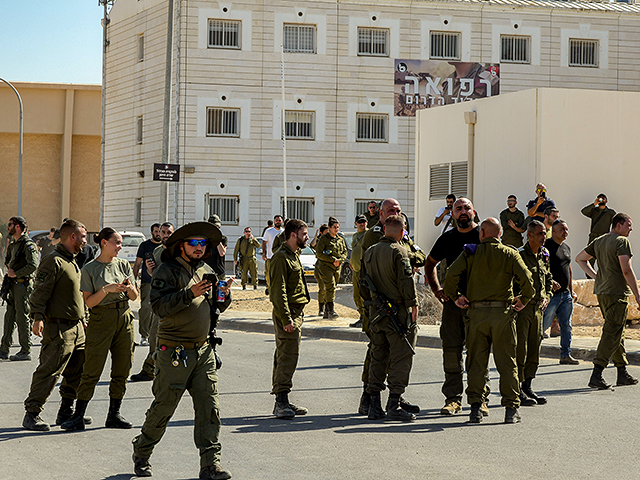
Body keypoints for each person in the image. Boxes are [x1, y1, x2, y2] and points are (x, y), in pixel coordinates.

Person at [132, 221, 232, 480]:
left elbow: (215, 307)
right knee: (164, 406)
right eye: (194, 243)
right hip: (174, 352)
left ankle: (210, 465)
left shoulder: (207, 269)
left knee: (210, 408)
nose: (200, 248)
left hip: (203, 352)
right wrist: (189, 293)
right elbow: (159, 307)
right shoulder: (168, 271)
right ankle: (142, 452)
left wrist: (224, 296)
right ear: (181, 246)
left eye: (203, 244)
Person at [444, 218, 534, 424]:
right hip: (502, 314)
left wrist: (456, 295)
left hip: (476, 315)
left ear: (482, 233)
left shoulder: (471, 252)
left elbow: (450, 275)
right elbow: (528, 281)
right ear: (500, 234)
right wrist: (524, 299)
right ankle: (511, 409)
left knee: (476, 363)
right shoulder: (510, 253)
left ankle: (475, 408)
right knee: (507, 363)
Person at [61, 228, 139, 431]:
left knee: (122, 368)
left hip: (124, 319)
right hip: (101, 319)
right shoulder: (90, 268)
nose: (120, 247)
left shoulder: (123, 265)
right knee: (92, 370)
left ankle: (114, 414)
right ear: (104, 242)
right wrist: (106, 290)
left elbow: (134, 297)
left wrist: (130, 288)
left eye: (121, 243)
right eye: (117, 242)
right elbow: (89, 302)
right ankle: (78, 415)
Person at [356, 198, 424, 416]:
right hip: (398, 312)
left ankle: (374, 403)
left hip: (377, 313)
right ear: (402, 231)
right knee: (401, 357)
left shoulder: (370, 251)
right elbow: (406, 283)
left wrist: (370, 305)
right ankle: (393, 402)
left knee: (378, 356)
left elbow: (362, 283)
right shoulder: (400, 252)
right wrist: (413, 305)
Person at [22, 219, 89, 432]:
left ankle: (66, 412)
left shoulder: (72, 261)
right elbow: (40, 291)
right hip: (59, 328)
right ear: (72, 237)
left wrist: (84, 319)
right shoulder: (54, 260)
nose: (86, 241)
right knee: (50, 371)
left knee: (75, 372)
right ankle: (32, 413)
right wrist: (38, 317)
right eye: (83, 237)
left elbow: (77, 295)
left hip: (77, 328)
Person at [425, 198, 487, 416]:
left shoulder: (484, 236)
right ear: (451, 214)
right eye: (458, 209)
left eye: (466, 208)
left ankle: (480, 398)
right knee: (451, 352)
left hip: (480, 305)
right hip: (452, 306)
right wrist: (437, 290)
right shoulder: (447, 238)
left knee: (478, 353)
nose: (463, 212)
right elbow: (429, 263)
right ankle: (453, 399)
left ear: (474, 211)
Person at [575, 213, 640, 390]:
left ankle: (622, 372)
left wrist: (597, 277)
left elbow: (580, 258)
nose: (630, 229)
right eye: (628, 225)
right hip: (616, 292)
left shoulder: (599, 240)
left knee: (617, 331)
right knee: (612, 332)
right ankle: (597, 373)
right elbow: (626, 270)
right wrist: (637, 295)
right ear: (618, 225)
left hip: (602, 292)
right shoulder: (621, 242)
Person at [269, 219, 310, 419]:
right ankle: (281, 402)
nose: (307, 237)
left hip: (295, 312)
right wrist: (286, 318)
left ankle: (283, 399)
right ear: (293, 235)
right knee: (287, 356)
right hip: (288, 313)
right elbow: (278, 291)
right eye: (304, 234)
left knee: (286, 355)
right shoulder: (281, 258)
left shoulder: (293, 255)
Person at [130, 222, 175, 383]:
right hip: (161, 299)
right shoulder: (156, 251)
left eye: (169, 232)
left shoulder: (180, 251)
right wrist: (149, 270)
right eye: (163, 232)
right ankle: (150, 370)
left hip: (177, 300)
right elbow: (154, 274)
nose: (165, 235)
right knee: (154, 336)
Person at [515, 220, 553, 407]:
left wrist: (547, 295)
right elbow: (513, 280)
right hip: (523, 309)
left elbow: (548, 278)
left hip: (538, 308)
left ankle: (528, 385)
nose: (543, 236)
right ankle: (518, 389)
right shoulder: (520, 255)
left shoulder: (544, 254)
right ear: (529, 235)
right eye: (539, 233)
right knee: (520, 348)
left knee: (534, 348)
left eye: (544, 233)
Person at [0, 216, 38, 361]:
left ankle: (25, 350)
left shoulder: (28, 244)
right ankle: (4, 349)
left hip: (23, 285)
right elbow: (8, 260)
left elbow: (33, 265)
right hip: (13, 285)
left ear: (17, 227)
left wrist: (16, 273)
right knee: (9, 317)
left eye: (10, 224)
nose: (8, 227)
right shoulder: (13, 244)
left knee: (22, 317)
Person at [544, 220, 579, 365]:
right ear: (553, 231)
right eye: (562, 229)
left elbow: (568, 269)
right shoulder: (546, 246)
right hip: (551, 295)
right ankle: (527, 352)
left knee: (566, 325)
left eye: (566, 229)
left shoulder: (566, 248)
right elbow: (541, 267)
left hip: (565, 295)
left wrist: (571, 291)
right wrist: (549, 281)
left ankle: (566, 354)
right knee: (543, 325)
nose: (565, 232)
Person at [133, 223, 162, 346]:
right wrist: (134, 281)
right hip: (147, 282)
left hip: (162, 282)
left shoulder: (165, 247)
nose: (158, 234)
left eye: (160, 231)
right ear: (152, 233)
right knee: (146, 307)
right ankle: (144, 335)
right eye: (156, 231)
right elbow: (137, 264)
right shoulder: (145, 246)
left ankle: (156, 335)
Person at [314, 217, 348, 319]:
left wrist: (340, 260)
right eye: (334, 227)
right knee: (330, 287)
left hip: (337, 267)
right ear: (329, 228)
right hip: (325, 266)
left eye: (337, 227)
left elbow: (344, 252)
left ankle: (326, 311)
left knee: (332, 288)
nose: (336, 229)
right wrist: (332, 259)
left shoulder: (340, 239)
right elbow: (319, 254)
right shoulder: (323, 239)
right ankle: (331, 310)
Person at [581, 194, 616, 268]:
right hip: (593, 237)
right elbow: (584, 211)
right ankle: (591, 277)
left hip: (604, 238)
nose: (602, 200)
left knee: (604, 259)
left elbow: (616, 223)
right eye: (600, 199)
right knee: (589, 259)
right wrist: (594, 204)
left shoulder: (610, 212)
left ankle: (604, 277)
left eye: (603, 199)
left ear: (606, 201)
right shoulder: (594, 211)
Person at [349, 215, 368, 328]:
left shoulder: (368, 234)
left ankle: (365, 317)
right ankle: (361, 316)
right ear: (356, 223)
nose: (362, 224)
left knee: (363, 294)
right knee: (356, 295)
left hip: (363, 270)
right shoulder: (356, 235)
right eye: (360, 222)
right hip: (355, 268)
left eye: (364, 222)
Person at [262, 215, 284, 295]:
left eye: (279, 220)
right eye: (276, 220)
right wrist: (264, 253)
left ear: (282, 221)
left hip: (280, 257)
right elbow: (264, 242)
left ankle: (276, 289)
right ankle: (268, 287)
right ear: (274, 221)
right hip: (270, 256)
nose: (278, 221)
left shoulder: (283, 232)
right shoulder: (269, 231)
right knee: (268, 274)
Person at [205, 215, 228, 281]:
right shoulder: (205, 239)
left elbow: (222, 253)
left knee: (221, 290)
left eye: (217, 227)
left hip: (219, 272)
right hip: (207, 271)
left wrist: (217, 239)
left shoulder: (223, 239)